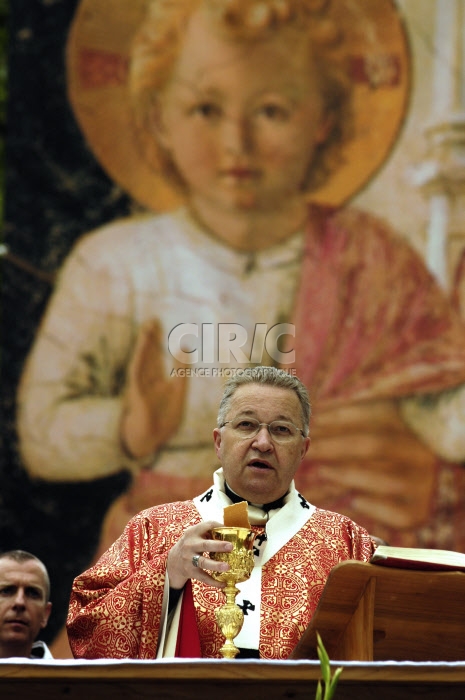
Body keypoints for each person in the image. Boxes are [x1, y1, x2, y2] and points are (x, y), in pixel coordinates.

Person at [17, 0, 465, 573]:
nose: (237, 142)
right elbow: (42, 431)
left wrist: (427, 471)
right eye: (205, 108)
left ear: (323, 118)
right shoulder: (115, 263)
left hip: (325, 554)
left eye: (272, 111)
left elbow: (441, 416)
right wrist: (126, 427)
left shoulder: (373, 260)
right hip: (169, 551)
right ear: (159, 117)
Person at [67, 367, 375, 659]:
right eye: (246, 425)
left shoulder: (346, 544)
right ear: (218, 442)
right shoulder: (153, 529)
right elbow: (86, 632)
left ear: (303, 449)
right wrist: (167, 574)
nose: (263, 443)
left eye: (281, 430)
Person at [0, 550, 53, 659]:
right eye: (6, 591)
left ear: (45, 614)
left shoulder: (66, 676)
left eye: (32, 593)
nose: (19, 602)